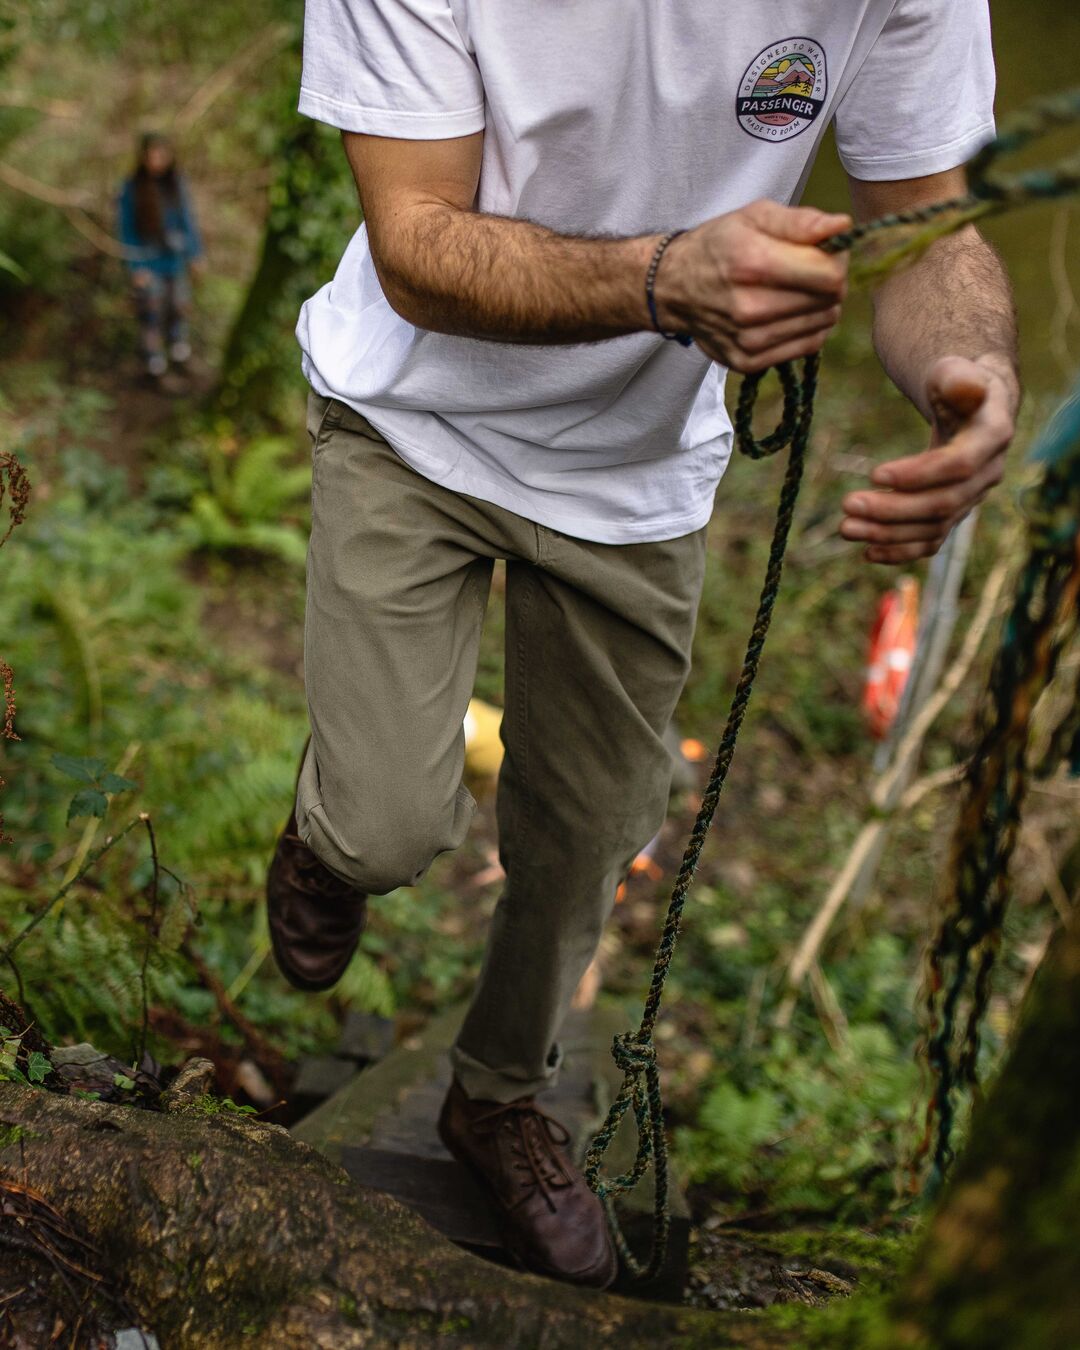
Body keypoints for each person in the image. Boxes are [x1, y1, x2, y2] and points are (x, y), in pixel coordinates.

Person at [267, 0, 1019, 1290]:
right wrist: (670, 280)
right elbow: (417, 241)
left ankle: (497, 1097)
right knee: (387, 825)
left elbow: (924, 227)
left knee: (592, 831)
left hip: (634, 476)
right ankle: (331, 845)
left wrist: (971, 375)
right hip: (412, 420)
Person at [116, 132, 204, 380]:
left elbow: (187, 221)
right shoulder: (131, 188)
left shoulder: (176, 184)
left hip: (174, 259)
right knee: (151, 309)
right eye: (152, 154)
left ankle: (178, 353)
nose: (156, 159)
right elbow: (126, 229)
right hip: (147, 259)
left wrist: (195, 254)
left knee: (178, 304)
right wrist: (135, 266)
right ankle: (152, 361)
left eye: (161, 153)